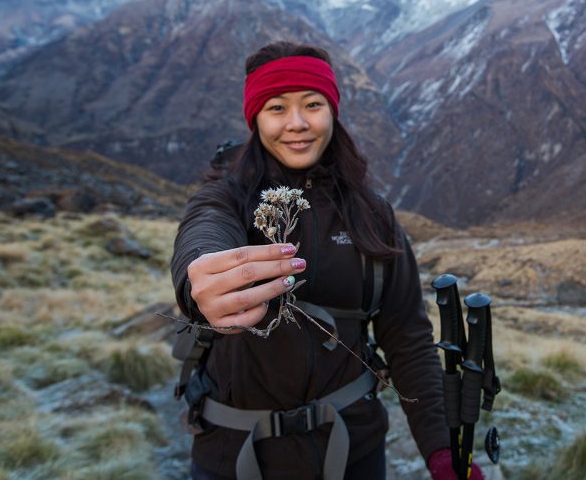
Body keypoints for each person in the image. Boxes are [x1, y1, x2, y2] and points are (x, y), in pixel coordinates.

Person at [170, 41, 484, 479]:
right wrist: (200, 279)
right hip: (235, 456)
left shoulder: (372, 216)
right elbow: (203, 233)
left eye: (312, 105)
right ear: (254, 118)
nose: (297, 124)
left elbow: (407, 339)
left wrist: (442, 451)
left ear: (332, 110)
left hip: (352, 452)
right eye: (276, 108)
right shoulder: (227, 197)